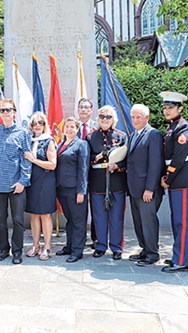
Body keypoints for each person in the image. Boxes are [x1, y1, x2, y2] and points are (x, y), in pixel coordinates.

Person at [159, 92, 188, 273]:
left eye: (171, 108)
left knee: (182, 222)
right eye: (165, 108)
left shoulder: (183, 129)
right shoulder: (172, 127)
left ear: (180, 109)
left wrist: (168, 178)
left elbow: (179, 159)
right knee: (177, 221)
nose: (167, 111)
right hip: (177, 181)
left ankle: (183, 260)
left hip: (182, 180)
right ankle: (179, 255)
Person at [0, 99, 32, 265]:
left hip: (16, 185)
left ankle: (17, 251)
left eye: (8, 110)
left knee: (17, 220)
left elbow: (27, 159)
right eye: (2, 110)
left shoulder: (23, 133)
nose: (6, 113)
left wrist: (23, 181)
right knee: (0, 221)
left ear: (14, 112)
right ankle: (3, 249)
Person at [87, 105, 127, 260]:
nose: (105, 119)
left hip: (116, 181)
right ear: (98, 119)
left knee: (117, 216)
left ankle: (117, 247)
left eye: (108, 117)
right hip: (97, 181)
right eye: (102, 116)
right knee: (99, 216)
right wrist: (96, 157)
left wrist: (118, 165)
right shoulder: (91, 137)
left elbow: (127, 158)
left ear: (113, 120)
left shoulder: (121, 136)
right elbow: (86, 159)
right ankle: (101, 245)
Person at [127, 104, 164, 267]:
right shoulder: (133, 135)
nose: (135, 120)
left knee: (148, 222)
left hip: (147, 190)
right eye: (133, 117)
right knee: (139, 222)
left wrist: (150, 188)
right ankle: (144, 249)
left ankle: (152, 253)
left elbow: (155, 164)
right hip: (134, 188)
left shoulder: (153, 134)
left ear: (147, 118)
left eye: (139, 117)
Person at [55, 117, 90, 263]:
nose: (69, 129)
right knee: (69, 220)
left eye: (72, 127)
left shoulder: (82, 144)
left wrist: (81, 191)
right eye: (67, 126)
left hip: (75, 190)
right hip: (62, 189)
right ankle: (69, 246)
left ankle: (77, 251)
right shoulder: (60, 144)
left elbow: (83, 169)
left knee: (78, 221)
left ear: (77, 129)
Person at [23, 112, 57, 261]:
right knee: (34, 214)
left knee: (45, 214)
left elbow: (53, 165)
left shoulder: (49, 141)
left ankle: (47, 246)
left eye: (41, 122)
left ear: (45, 125)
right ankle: (35, 245)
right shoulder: (28, 140)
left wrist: (34, 160)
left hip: (45, 181)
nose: (37, 125)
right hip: (32, 182)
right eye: (35, 123)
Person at [76, 97, 98, 249]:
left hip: (95, 174)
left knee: (96, 207)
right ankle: (79, 239)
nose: (83, 109)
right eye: (81, 107)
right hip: (77, 175)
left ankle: (96, 238)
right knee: (79, 209)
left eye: (86, 107)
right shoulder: (71, 128)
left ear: (91, 111)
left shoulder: (97, 129)